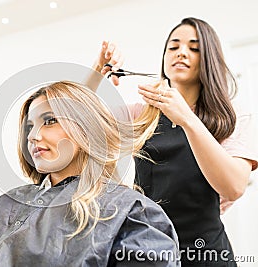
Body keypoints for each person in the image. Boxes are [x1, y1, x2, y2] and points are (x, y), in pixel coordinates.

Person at [0, 81, 180, 266]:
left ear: (85, 127)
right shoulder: (1, 208)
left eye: (49, 120)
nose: (33, 136)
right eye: (30, 126)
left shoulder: (130, 212)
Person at [87, 17, 258, 266]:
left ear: (209, 57)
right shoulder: (141, 115)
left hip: (208, 253)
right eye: (174, 46)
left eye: (194, 48)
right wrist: (95, 78)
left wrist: (187, 119)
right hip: (147, 250)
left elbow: (233, 186)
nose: (181, 53)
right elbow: (76, 123)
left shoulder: (232, 116)